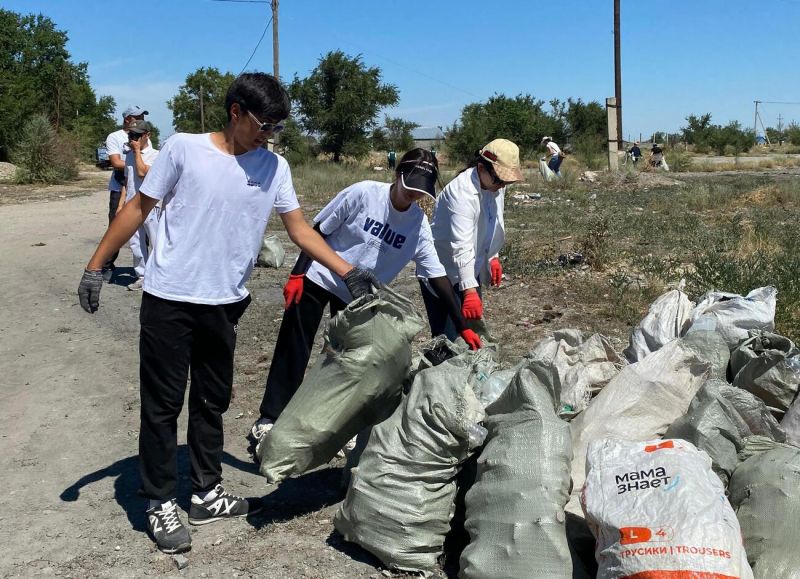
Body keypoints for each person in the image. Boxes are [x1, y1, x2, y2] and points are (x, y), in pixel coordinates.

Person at [77, 73, 378, 555]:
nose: (269, 133)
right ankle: (158, 499)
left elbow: (299, 229)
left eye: (278, 126)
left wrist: (349, 271)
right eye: (263, 123)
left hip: (224, 302)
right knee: (162, 405)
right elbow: (138, 207)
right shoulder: (183, 149)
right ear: (235, 111)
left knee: (211, 401)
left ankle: (205, 492)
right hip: (170, 298)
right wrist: (97, 265)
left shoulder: (274, 166)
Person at [250, 148, 482, 442]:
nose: (413, 195)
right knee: (294, 347)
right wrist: (297, 273)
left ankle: (326, 424)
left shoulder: (417, 225)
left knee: (345, 360)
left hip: (357, 295)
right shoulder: (363, 194)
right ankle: (270, 416)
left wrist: (461, 323)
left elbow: (436, 275)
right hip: (320, 275)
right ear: (398, 175)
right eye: (410, 187)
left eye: (420, 192)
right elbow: (319, 230)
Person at [420, 139, 523, 341]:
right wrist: (469, 291)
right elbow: (462, 246)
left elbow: (492, 221)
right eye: (499, 180)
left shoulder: (494, 185)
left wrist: (493, 255)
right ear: (481, 167)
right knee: (448, 339)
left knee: (471, 335)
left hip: (468, 270)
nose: (502, 186)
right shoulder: (461, 194)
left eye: (506, 182)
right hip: (443, 273)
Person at [102, 105, 148, 282]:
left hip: (139, 188)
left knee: (143, 229)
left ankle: (145, 267)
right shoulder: (114, 137)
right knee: (116, 227)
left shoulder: (144, 134)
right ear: (128, 119)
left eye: (143, 116)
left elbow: (146, 158)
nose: (141, 119)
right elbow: (115, 161)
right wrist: (134, 161)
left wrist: (137, 161)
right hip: (119, 186)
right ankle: (105, 265)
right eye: (138, 116)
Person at [118, 119, 159, 291]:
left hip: (150, 204)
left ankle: (159, 275)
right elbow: (127, 182)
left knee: (156, 241)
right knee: (135, 242)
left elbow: (142, 173)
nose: (133, 138)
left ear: (147, 136)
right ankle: (142, 275)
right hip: (131, 204)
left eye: (137, 136)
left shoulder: (157, 155)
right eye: (131, 135)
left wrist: (136, 152)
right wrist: (121, 205)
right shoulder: (128, 156)